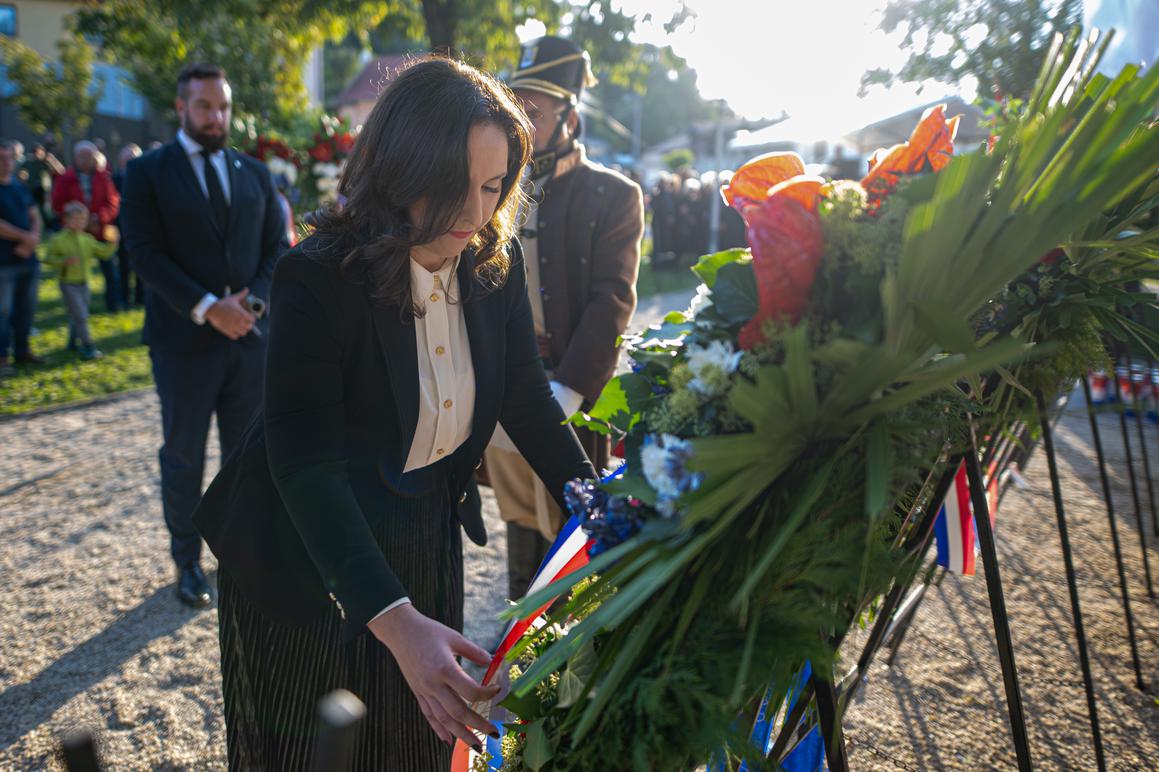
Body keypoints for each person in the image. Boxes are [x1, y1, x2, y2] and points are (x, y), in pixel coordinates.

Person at [192, 56, 595, 770]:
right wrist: (395, 621)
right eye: (454, 190)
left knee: (411, 747)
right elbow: (307, 466)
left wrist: (600, 513)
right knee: (310, 753)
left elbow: (528, 403)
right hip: (299, 550)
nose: (475, 215)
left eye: (493, 187)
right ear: (400, 173)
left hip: (418, 530)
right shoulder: (314, 274)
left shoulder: (491, 261)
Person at [121, 63, 288, 609]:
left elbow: (275, 251)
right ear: (181, 107)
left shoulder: (255, 173)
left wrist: (251, 304)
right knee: (184, 456)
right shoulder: (148, 172)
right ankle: (187, 562)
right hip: (182, 345)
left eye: (223, 107)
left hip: (249, 342)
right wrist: (208, 307)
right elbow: (144, 252)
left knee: (246, 457)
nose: (216, 117)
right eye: (204, 107)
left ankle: (238, 556)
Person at [483, 35, 643, 600]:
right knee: (520, 521)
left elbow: (612, 301)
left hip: (565, 388)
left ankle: (562, 667)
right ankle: (517, 647)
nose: (518, 122)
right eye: (512, 107)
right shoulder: (492, 185)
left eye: (533, 111)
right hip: (502, 383)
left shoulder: (613, 195)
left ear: (569, 117)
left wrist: (570, 390)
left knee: (572, 533)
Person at [39, 201, 119, 359]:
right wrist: (63, 261)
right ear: (66, 220)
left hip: (84, 283)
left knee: (77, 314)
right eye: (74, 219)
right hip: (68, 283)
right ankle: (88, 346)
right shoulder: (58, 239)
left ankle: (72, 342)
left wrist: (113, 243)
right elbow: (47, 258)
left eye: (82, 220)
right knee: (81, 315)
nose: (78, 223)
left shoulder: (87, 239)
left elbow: (104, 253)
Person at [51, 140, 122, 312]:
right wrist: (76, 220)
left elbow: (113, 202)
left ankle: (114, 304)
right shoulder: (66, 178)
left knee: (109, 268)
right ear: (76, 157)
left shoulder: (103, 177)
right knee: (76, 270)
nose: (85, 160)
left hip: (100, 229)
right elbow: (57, 204)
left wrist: (99, 218)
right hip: (75, 233)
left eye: (89, 156)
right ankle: (77, 306)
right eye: (81, 156)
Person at [0, 138, 43, 375]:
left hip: (28, 259)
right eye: (1, 159)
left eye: (9, 158)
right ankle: (2, 357)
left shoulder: (18, 186)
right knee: (2, 311)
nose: (6, 163)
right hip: (3, 262)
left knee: (26, 308)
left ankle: (22, 350)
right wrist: (24, 238)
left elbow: (34, 213)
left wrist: (33, 237)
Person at [112, 143, 144, 307]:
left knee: (141, 265)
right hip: (121, 228)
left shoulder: (146, 180)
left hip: (142, 229)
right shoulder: (114, 179)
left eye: (132, 158)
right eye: (126, 159)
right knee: (123, 265)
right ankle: (124, 297)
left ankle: (140, 297)